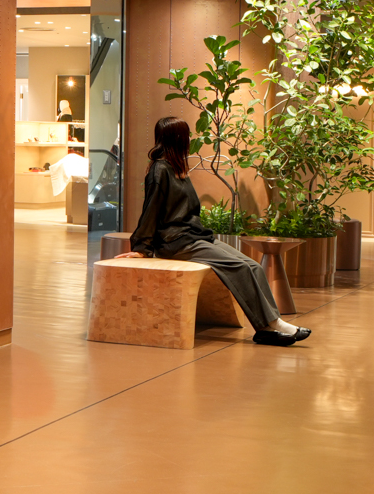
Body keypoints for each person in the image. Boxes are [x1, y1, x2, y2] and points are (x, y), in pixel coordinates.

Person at [119, 116, 310, 346]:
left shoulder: (177, 167)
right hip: (176, 241)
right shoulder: (160, 170)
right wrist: (142, 248)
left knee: (253, 266)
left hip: (194, 236)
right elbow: (151, 209)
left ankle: (270, 325)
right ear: (177, 138)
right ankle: (270, 325)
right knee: (239, 267)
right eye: (186, 135)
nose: (189, 139)